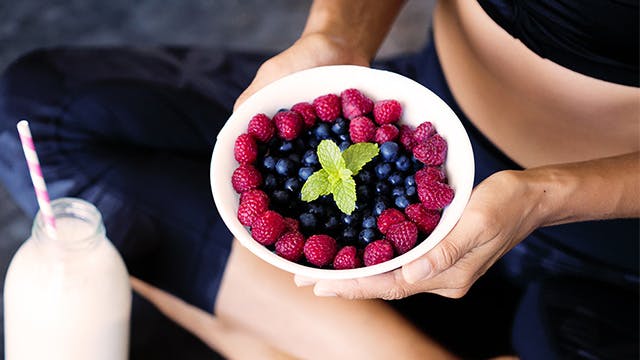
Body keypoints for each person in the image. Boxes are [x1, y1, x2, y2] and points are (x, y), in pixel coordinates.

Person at [0, 0, 637, 359]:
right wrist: (336, 35)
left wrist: (545, 192)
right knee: (41, 115)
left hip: (611, 240)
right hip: (425, 124)